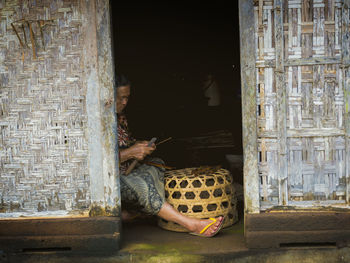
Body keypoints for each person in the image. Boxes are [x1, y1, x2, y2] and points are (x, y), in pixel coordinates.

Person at [115, 75, 224, 237]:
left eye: (127, 98)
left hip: (129, 170)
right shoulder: (100, 121)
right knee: (143, 187)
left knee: (156, 164)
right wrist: (130, 152)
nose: (125, 102)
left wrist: (139, 146)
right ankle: (191, 224)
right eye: (121, 98)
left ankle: (137, 214)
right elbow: (99, 161)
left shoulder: (120, 117)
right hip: (113, 178)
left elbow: (126, 142)